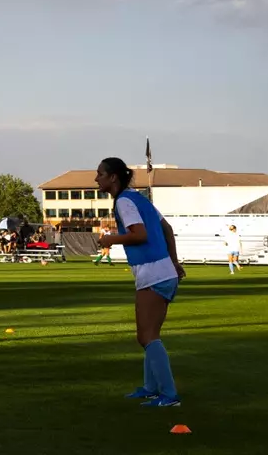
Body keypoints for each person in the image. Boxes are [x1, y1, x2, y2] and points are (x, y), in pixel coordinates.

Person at [95, 156, 185, 408]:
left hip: (152, 272)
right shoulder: (138, 198)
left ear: (113, 177)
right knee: (149, 335)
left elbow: (140, 234)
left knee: (146, 336)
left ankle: (169, 395)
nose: (96, 178)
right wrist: (175, 262)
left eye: (100, 174)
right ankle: (150, 388)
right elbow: (166, 228)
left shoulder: (124, 201)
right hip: (163, 270)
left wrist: (109, 239)